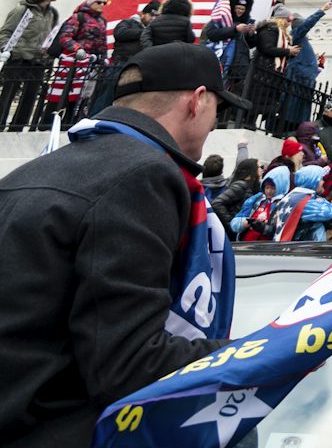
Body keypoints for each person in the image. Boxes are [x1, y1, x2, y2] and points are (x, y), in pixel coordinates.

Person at [0, 43, 247, 445]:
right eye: (218, 109)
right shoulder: (144, 175)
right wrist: (254, 353)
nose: (215, 124)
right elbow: (129, 364)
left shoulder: (33, 171)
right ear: (197, 101)